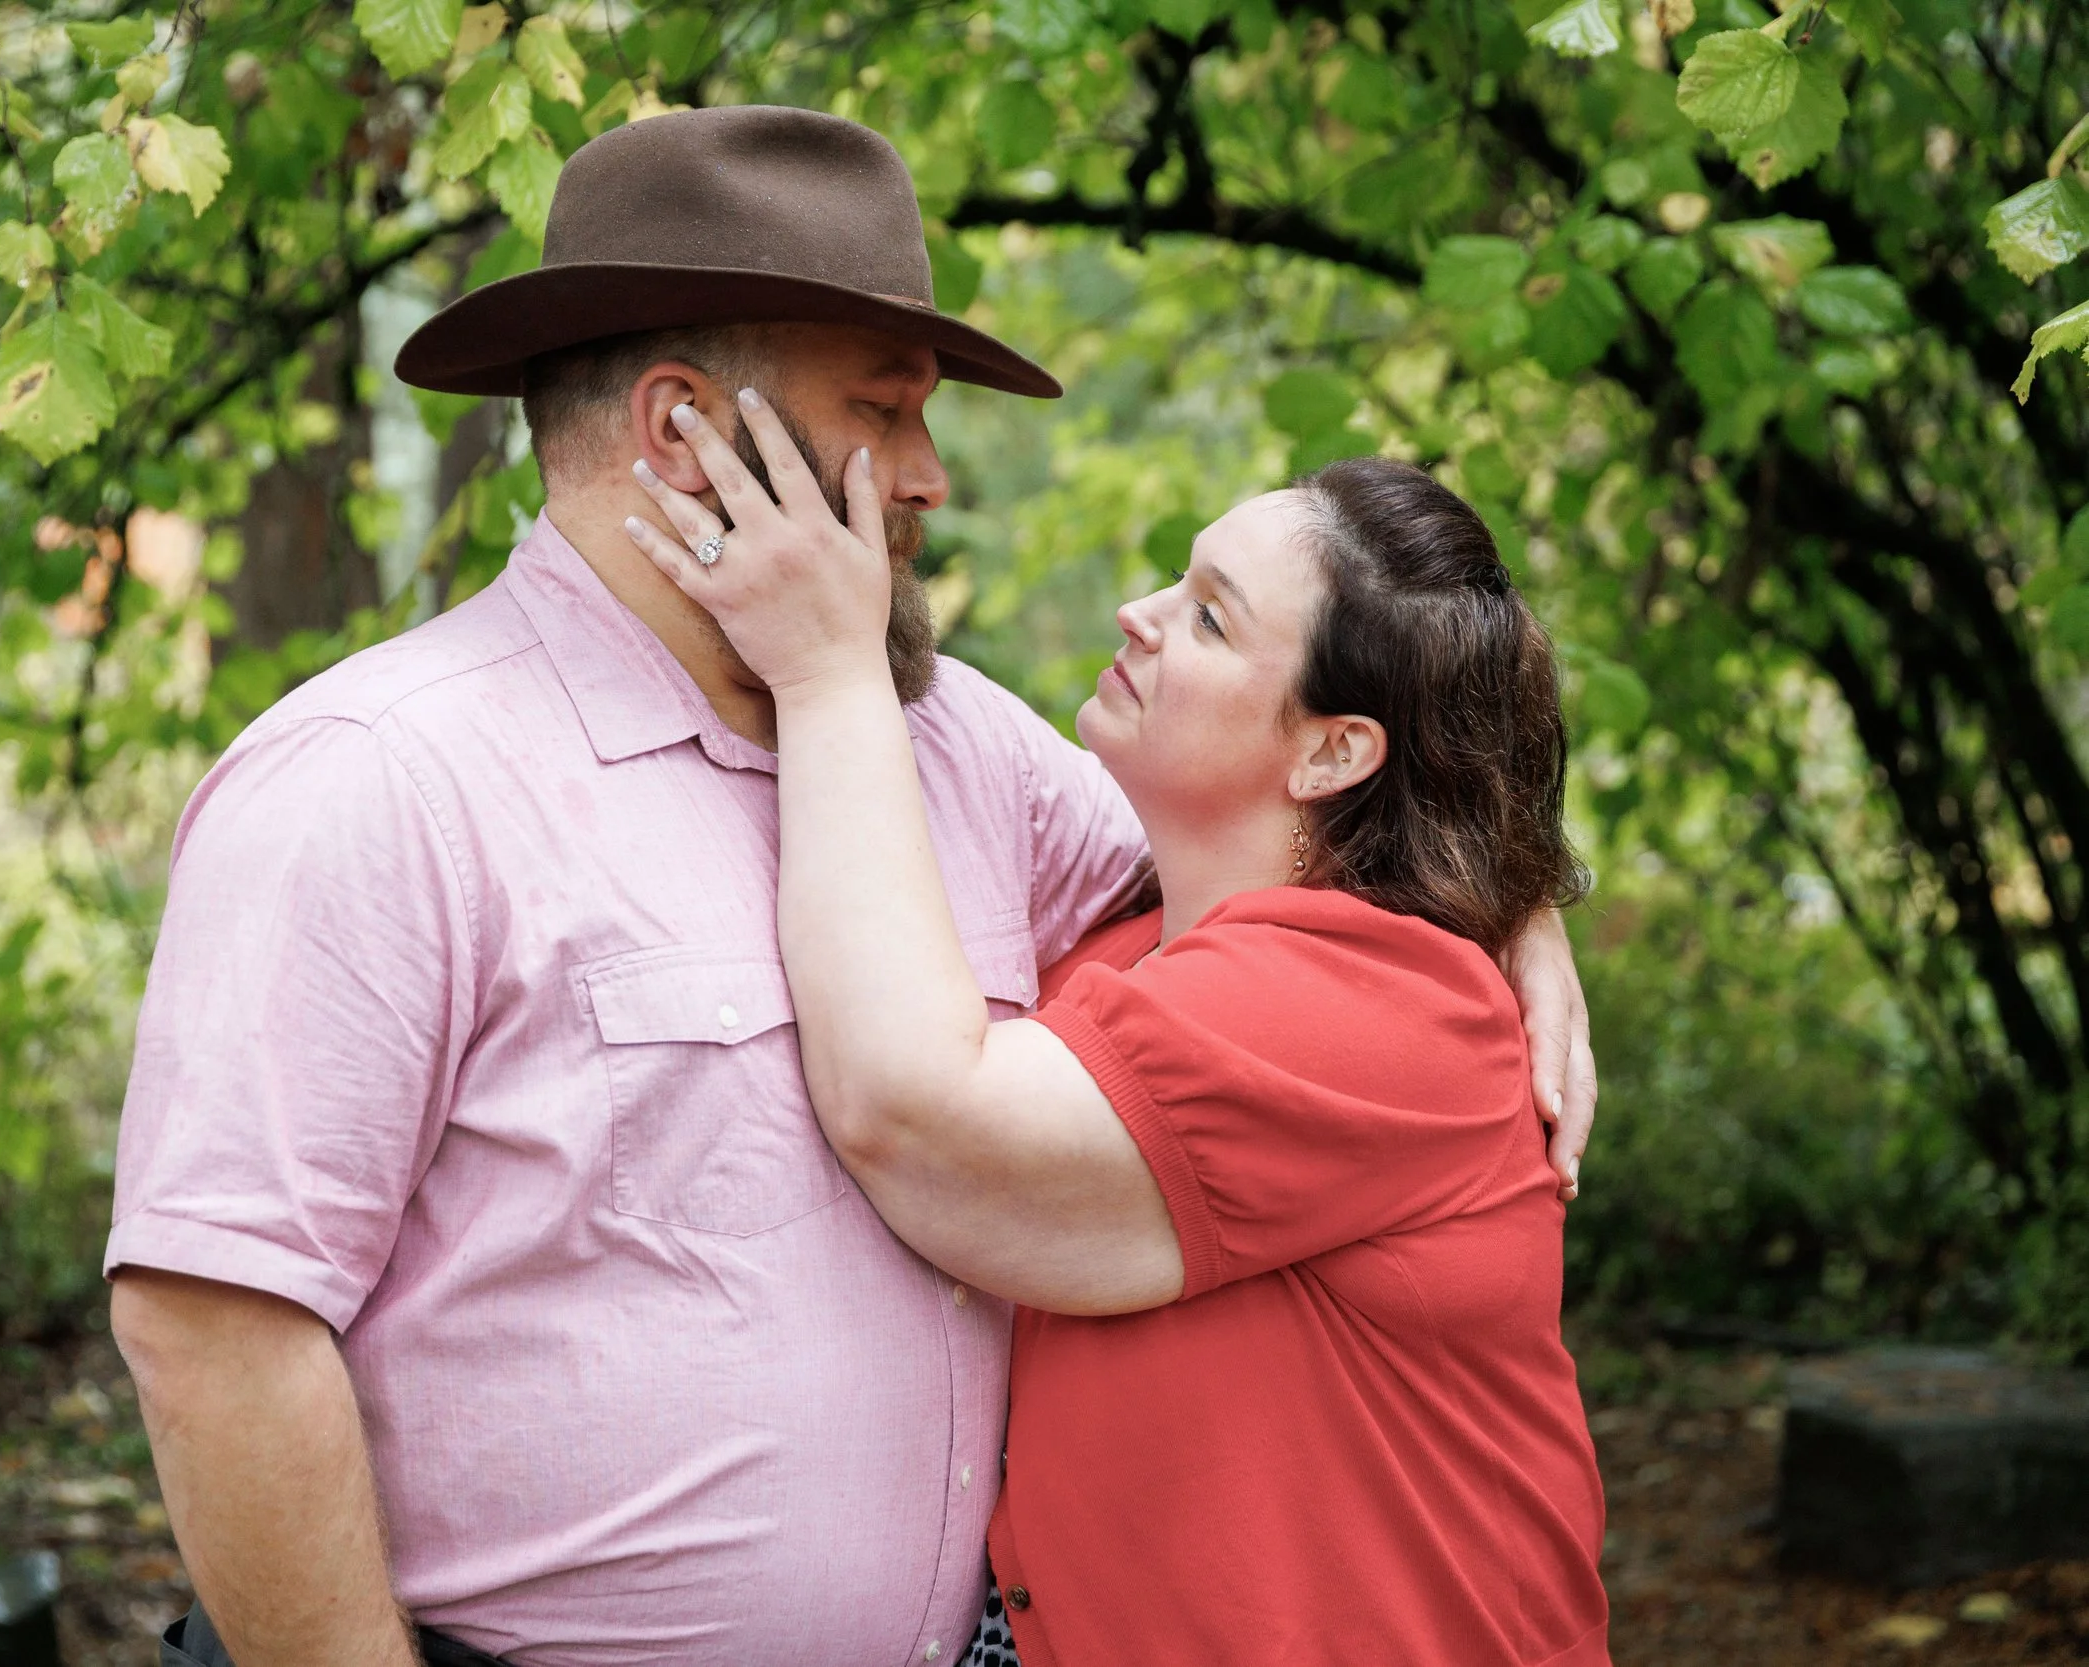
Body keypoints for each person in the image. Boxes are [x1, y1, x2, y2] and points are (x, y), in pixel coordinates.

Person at [107, 105, 1599, 1667]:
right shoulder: (379, 779)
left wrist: (1509, 907)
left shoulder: (961, 749)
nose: (934, 477)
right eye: (887, 414)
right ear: (687, 436)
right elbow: (213, 1323)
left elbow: (1299, 861)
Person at [625, 407, 1612, 1664]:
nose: (1137, 611)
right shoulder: (1126, 935)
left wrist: (826, 670)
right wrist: (1524, 901)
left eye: (1208, 615)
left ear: (1330, 750)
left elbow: (921, 1118)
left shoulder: (1387, 1000)